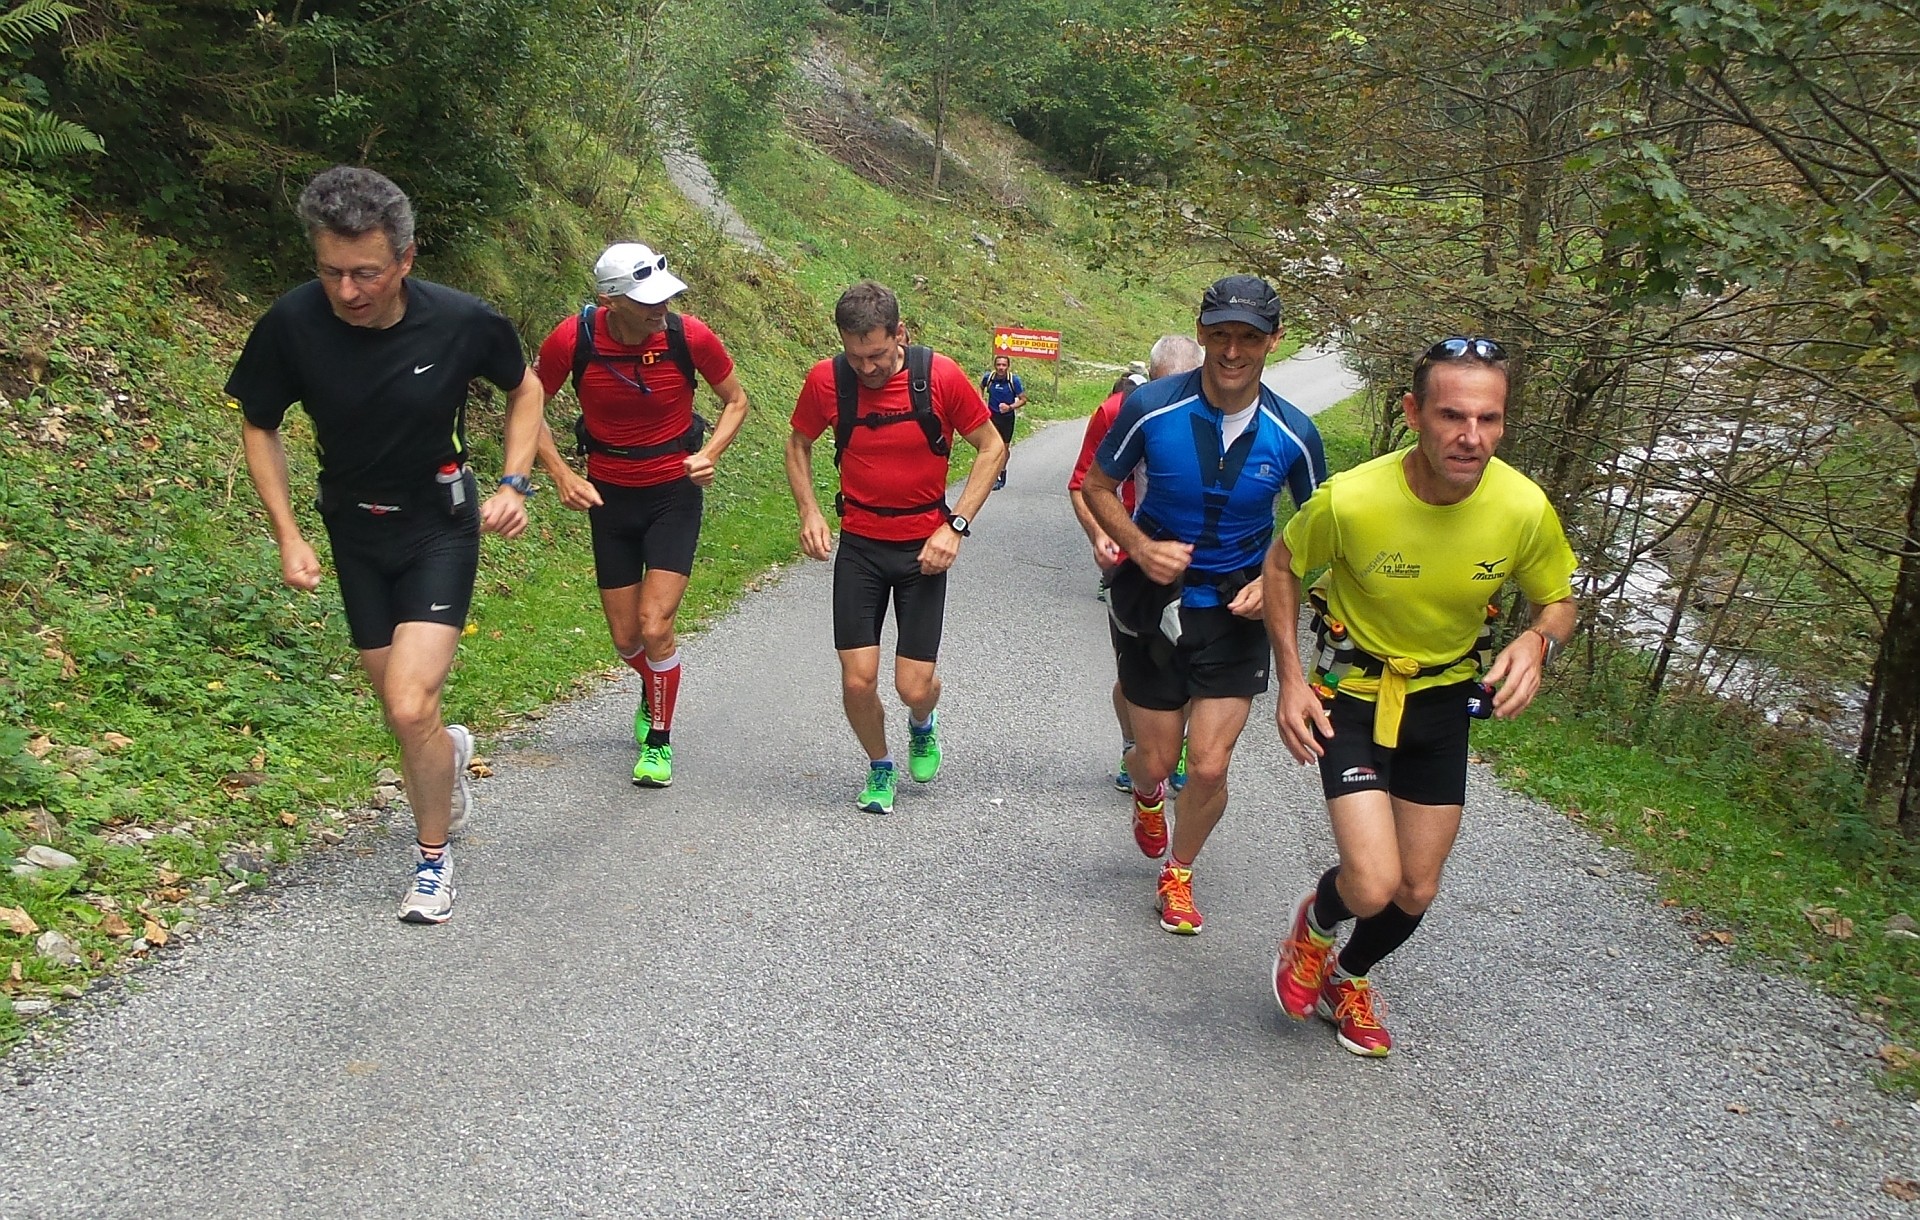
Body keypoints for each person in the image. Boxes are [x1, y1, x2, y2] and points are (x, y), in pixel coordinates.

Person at [227, 165, 544, 925]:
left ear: (405, 258)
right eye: (331, 271)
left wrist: (513, 482)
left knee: (409, 704)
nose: (347, 291)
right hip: (353, 530)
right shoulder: (292, 324)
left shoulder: (463, 321)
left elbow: (523, 386)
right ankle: (448, 759)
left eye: (365, 272)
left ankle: (433, 862)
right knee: (407, 714)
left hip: (438, 524)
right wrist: (288, 534)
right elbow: (259, 423)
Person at [1264, 336, 1577, 1057]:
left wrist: (1538, 641)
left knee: (1416, 890)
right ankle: (1315, 923)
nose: (1472, 438)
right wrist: (1288, 678)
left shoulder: (1523, 507)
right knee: (1372, 884)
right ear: (1413, 412)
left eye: (1489, 419)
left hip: (1442, 703)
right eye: (1452, 416)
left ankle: (1349, 975)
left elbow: (1557, 601)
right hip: (1355, 692)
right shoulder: (1353, 500)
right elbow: (1282, 565)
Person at [1082, 276, 1326, 935]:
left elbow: (1321, 532)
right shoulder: (1151, 409)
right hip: (1153, 598)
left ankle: (1178, 875)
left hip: (1235, 609)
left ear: (1273, 341)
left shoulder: (1293, 434)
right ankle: (1145, 791)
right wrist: (1136, 544)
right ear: (1202, 332)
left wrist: (1274, 579)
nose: (1232, 351)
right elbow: (1099, 487)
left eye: (1249, 337)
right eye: (1220, 335)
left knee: (1210, 764)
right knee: (1158, 760)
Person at [531, 242, 751, 788]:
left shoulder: (688, 336)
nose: (660, 309)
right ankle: (654, 681)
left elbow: (736, 400)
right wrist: (562, 473)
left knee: (656, 626)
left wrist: (710, 454)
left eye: (663, 297)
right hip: (608, 496)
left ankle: (658, 740)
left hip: (673, 493)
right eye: (645, 301)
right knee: (627, 638)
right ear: (609, 300)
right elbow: (526, 406)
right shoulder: (572, 339)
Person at [785, 281, 1006, 815]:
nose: (866, 368)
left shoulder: (940, 377)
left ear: (900, 334)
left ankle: (922, 722)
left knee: (913, 686)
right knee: (858, 680)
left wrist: (954, 526)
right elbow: (798, 443)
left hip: (922, 551)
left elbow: (993, 446)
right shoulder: (827, 380)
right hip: (860, 546)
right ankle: (880, 766)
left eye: (878, 355)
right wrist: (810, 510)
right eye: (855, 355)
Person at [1068, 335, 1203, 794]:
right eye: (1165, 386)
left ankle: (1174, 746)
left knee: (1188, 668)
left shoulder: (1217, 416)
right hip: (1129, 564)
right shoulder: (1118, 412)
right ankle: (1136, 746)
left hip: (1196, 566)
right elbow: (1082, 483)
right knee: (1135, 670)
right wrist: (1101, 535)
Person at [979, 353, 1026, 490]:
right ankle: (991, 475)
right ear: (995, 366)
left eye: (1004, 365)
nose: (1001, 368)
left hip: (1007, 418)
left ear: (1008, 366)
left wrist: (1010, 407)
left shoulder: (1013, 381)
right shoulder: (989, 378)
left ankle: (1002, 473)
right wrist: (981, 401)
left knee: (1004, 448)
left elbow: (1023, 399)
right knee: (992, 446)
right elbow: (980, 387)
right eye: (998, 365)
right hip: (991, 417)